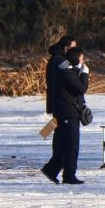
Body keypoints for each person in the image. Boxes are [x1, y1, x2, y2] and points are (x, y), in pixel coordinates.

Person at [42, 36, 89, 185]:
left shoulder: (58, 61)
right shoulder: (62, 63)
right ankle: (68, 174)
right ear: (66, 48)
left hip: (62, 108)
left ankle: (52, 169)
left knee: (62, 142)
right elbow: (78, 87)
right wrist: (84, 74)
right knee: (70, 144)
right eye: (73, 47)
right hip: (67, 109)